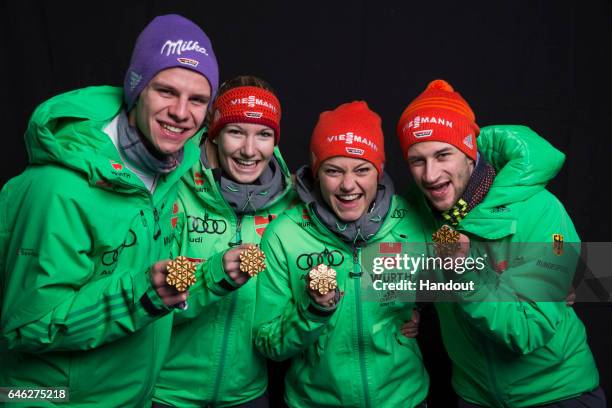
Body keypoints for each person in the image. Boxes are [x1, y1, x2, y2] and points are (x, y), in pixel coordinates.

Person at [0, 14, 218, 406]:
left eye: (198, 99)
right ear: (136, 88)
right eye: (166, 91)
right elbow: (25, 327)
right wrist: (142, 294)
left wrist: (211, 278)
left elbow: (154, 294)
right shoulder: (58, 188)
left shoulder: (169, 174)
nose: (182, 112)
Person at [396, 79, 605, 407]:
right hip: (474, 396)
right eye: (416, 160)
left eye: (443, 155)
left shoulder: (540, 210)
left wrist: (465, 273)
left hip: (556, 394)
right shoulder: (418, 214)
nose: (430, 174)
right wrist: (410, 306)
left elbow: (528, 331)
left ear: (470, 152)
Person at [254, 101, 428, 408]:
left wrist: (418, 314)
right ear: (316, 173)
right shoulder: (284, 234)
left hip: (404, 399)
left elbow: (469, 286)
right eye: (334, 171)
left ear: (380, 171)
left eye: (362, 170)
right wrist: (314, 311)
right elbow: (267, 343)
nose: (349, 185)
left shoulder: (413, 221)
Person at [152, 75, 296, 408]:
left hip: (247, 393)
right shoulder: (173, 191)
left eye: (264, 134)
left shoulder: (290, 205)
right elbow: (146, 301)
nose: (249, 150)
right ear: (214, 135)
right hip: (167, 392)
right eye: (235, 132)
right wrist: (216, 276)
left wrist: (401, 306)